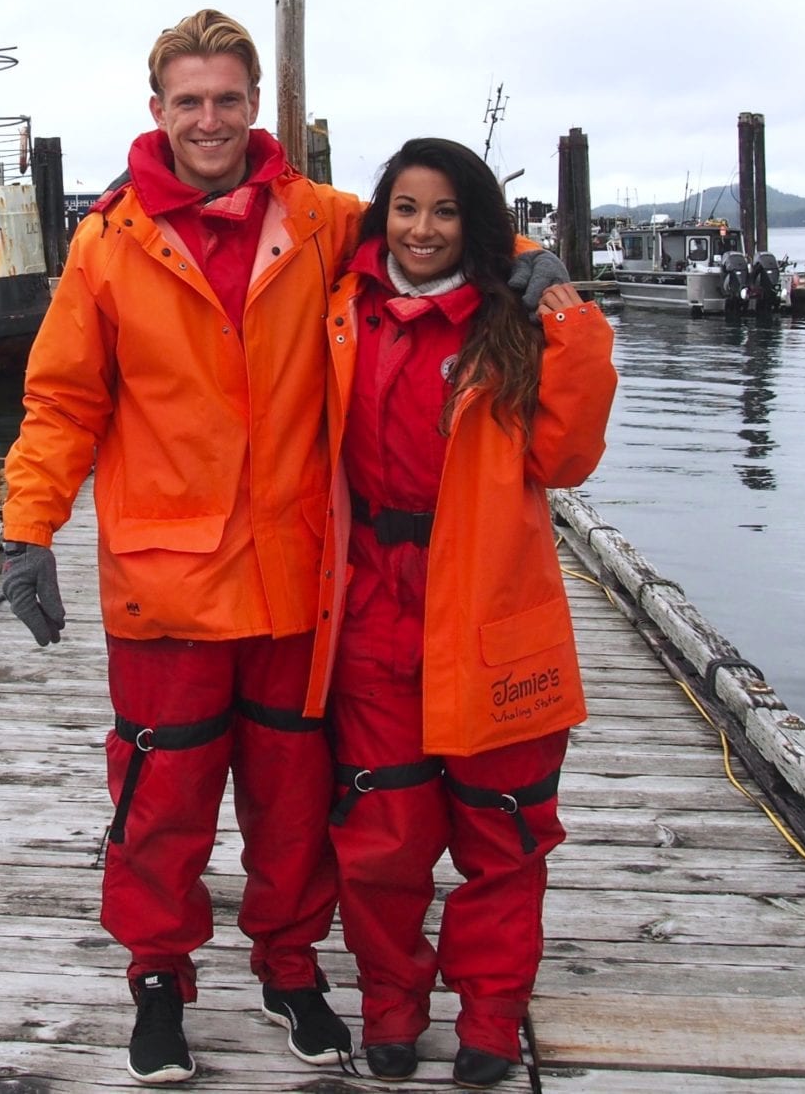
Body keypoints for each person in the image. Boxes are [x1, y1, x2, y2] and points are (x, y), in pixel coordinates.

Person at [0, 8, 364, 1084]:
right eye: (187, 101)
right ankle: (157, 975)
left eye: (227, 99)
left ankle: (289, 966)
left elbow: (447, 228)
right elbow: (61, 399)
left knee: (294, 801)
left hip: (298, 580)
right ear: (155, 110)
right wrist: (27, 530)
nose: (208, 119)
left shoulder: (325, 221)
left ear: (256, 107)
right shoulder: (106, 243)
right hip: (164, 587)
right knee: (157, 804)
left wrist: (529, 271)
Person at [302, 137, 616, 1086]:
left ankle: (489, 1020)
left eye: (444, 212)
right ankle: (391, 1009)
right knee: (381, 837)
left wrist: (564, 315)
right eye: (405, 208)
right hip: (373, 612)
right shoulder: (342, 311)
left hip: (492, 613)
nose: (423, 229)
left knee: (503, 834)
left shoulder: (514, 324)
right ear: (381, 216)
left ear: (474, 222)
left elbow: (566, 460)